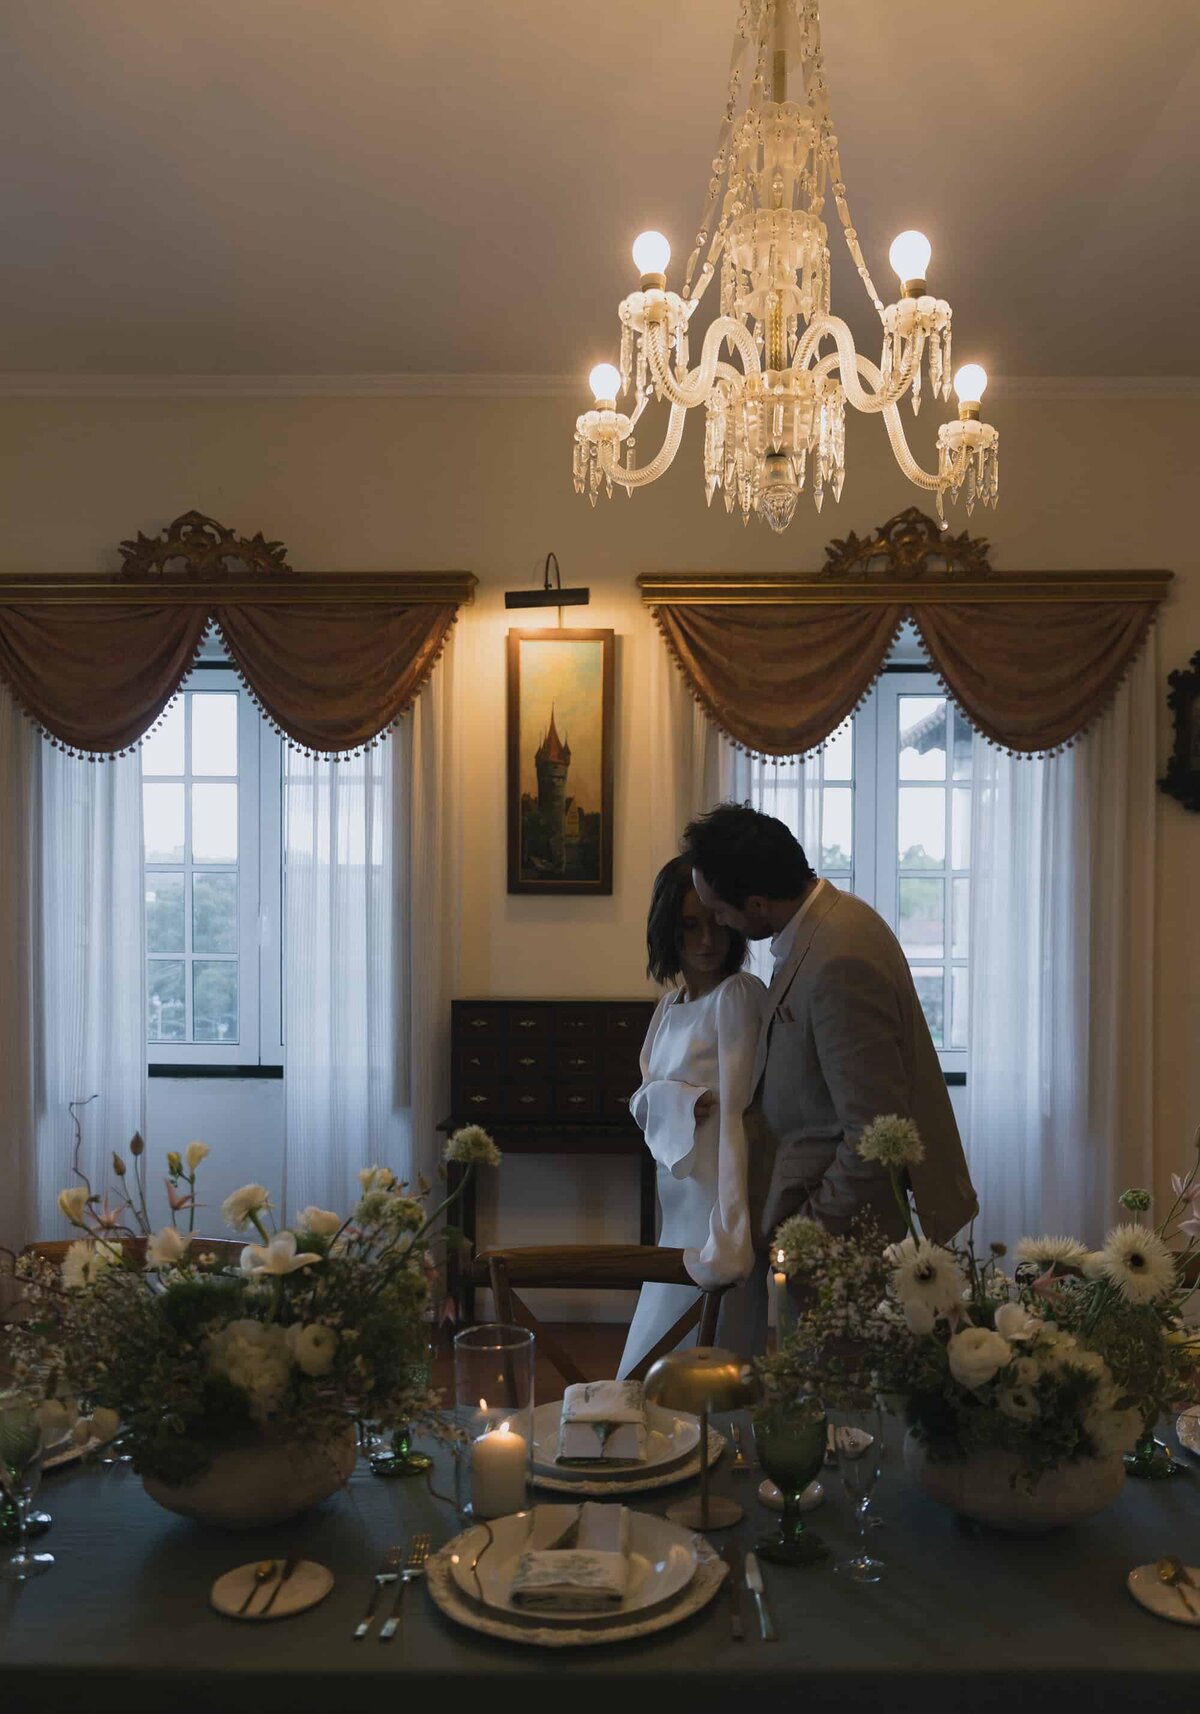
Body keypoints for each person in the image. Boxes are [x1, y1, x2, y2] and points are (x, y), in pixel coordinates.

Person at [683, 802, 977, 1263]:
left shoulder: (839, 957)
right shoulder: (821, 926)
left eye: (719, 910)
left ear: (756, 904)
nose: (718, 923)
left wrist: (805, 1233)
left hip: (838, 1236)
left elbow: (873, 1133)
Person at [617, 855, 766, 1379]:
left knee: (706, 1365)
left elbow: (738, 1120)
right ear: (667, 929)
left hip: (717, 1199)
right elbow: (640, 1100)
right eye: (689, 925)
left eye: (715, 922)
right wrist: (676, 1098)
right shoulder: (668, 1006)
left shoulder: (738, 996)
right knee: (652, 1354)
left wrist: (731, 1231)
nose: (707, 940)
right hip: (678, 1202)